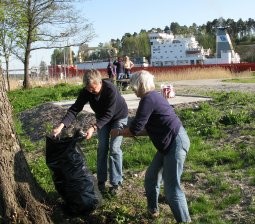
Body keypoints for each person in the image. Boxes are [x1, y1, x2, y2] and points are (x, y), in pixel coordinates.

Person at [110, 70, 191, 223]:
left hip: (175, 142)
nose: (133, 89)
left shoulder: (148, 99)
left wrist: (118, 132)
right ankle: (153, 210)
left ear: (141, 85)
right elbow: (147, 129)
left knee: (172, 189)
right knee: (151, 177)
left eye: (134, 86)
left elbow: (134, 129)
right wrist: (123, 131)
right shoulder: (153, 97)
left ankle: (185, 221)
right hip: (167, 143)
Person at [52, 69, 128, 195]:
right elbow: (75, 109)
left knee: (114, 148)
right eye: (89, 89)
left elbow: (109, 114)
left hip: (118, 117)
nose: (91, 92)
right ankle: (101, 182)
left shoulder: (111, 89)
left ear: (100, 82)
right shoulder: (86, 92)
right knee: (102, 148)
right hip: (102, 119)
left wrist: (93, 128)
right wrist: (61, 126)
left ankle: (116, 183)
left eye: (93, 89)